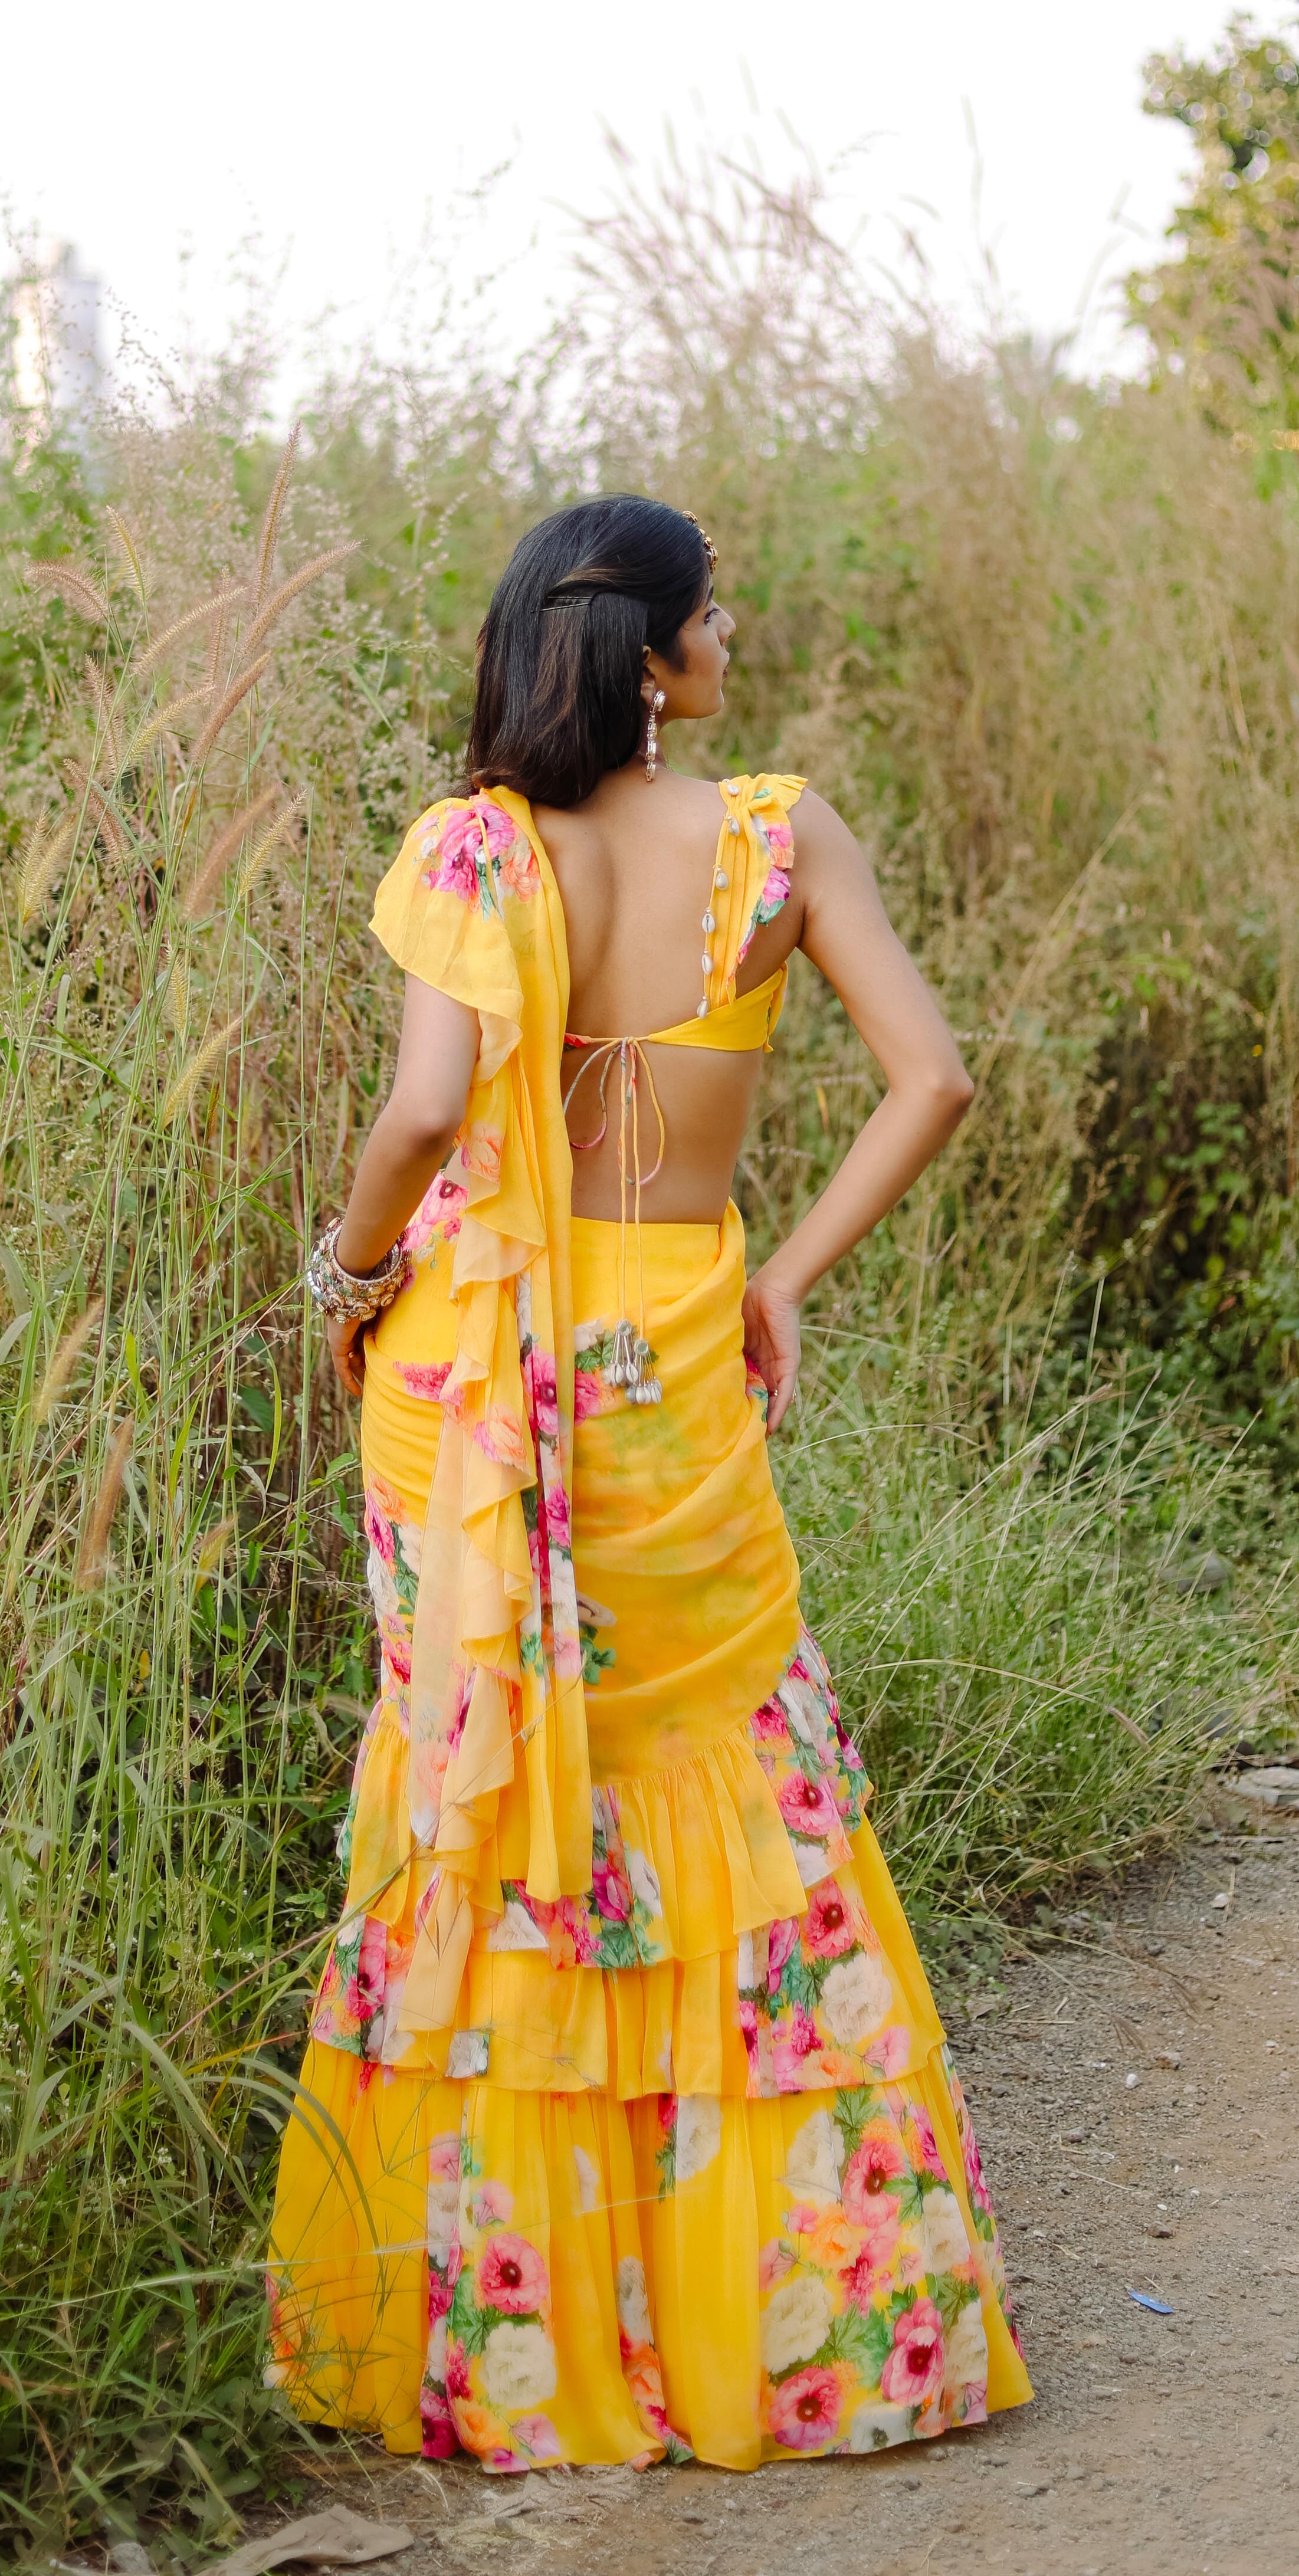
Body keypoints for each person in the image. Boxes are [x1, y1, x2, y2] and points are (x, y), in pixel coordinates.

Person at [265, 494, 1029, 2472]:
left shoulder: (472, 847)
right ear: (655, 652)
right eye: (714, 608)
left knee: (494, 1775)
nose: (735, 629)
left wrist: (348, 1277)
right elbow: (933, 1075)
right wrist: (776, 1274)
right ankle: (783, 2325)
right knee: (726, 1780)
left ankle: (513, 2341)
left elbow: (428, 1109)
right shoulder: (779, 835)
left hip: (471, 1363)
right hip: (674, 1360)